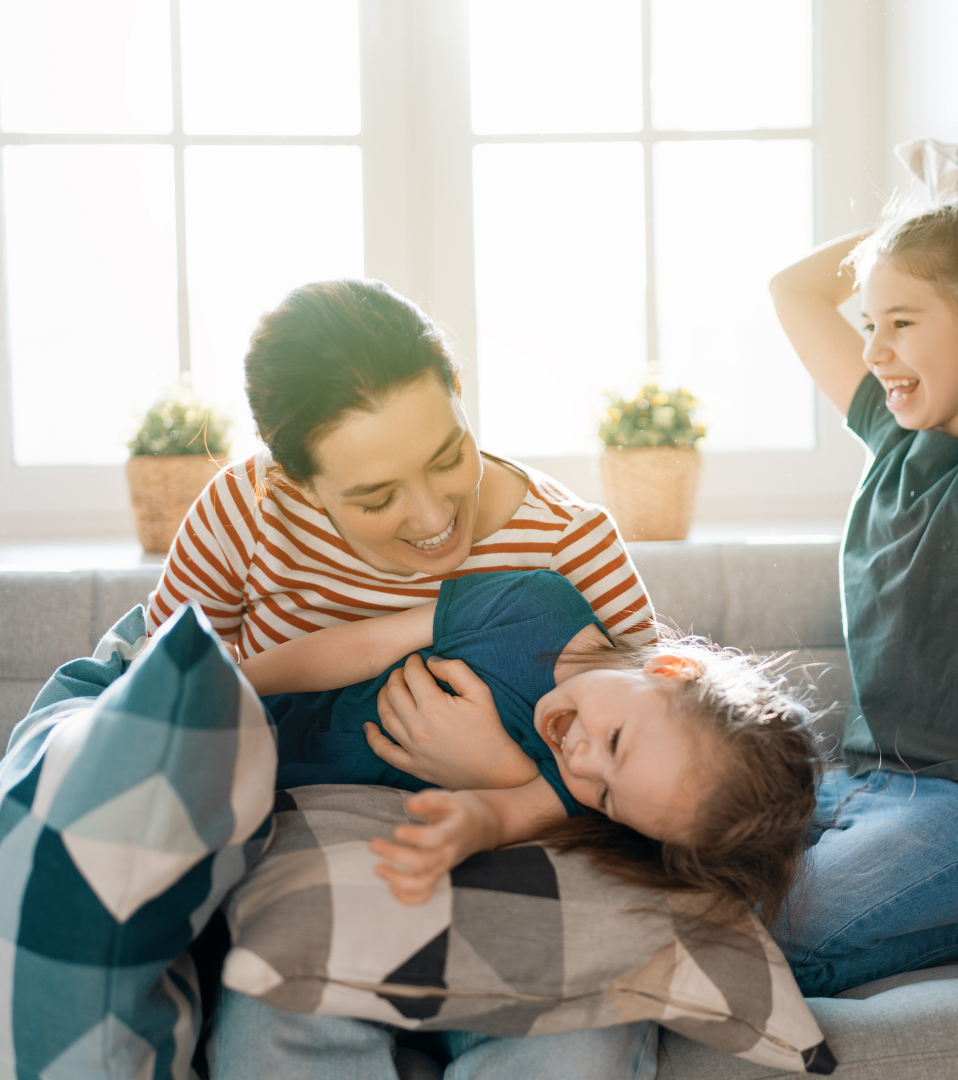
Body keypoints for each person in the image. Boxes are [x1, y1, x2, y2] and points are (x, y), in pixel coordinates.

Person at [148, 279, 660, 1079]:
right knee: (271, 1036)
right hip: (307, 862)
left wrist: (503, 778)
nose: (431, 518)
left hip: (530, 859)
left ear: (460, 396)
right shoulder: (243, 516)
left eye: (448, 456)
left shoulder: (571, 547)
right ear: (293, 487)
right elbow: (160, 714)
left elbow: (661, 780)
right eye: (377, 496)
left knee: (579, 1049)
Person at [768, 195, 958, 998]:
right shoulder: (887, 437)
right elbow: (791, 288)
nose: (877, 350)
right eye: (870, 324)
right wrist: (928, 212)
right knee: (690, 878)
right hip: (863, 782)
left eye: (904, 322)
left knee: (782, 939)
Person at [242, 568, 821, 918]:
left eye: (608, 797)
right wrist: (231, 680)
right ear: (669, 671)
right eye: (615, 742)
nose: (583, 762)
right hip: (264, 721)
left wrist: (463, 821)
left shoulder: (583, 796)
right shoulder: (532, 607)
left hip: (276, 799)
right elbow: (362, 648)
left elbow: (496, 818)